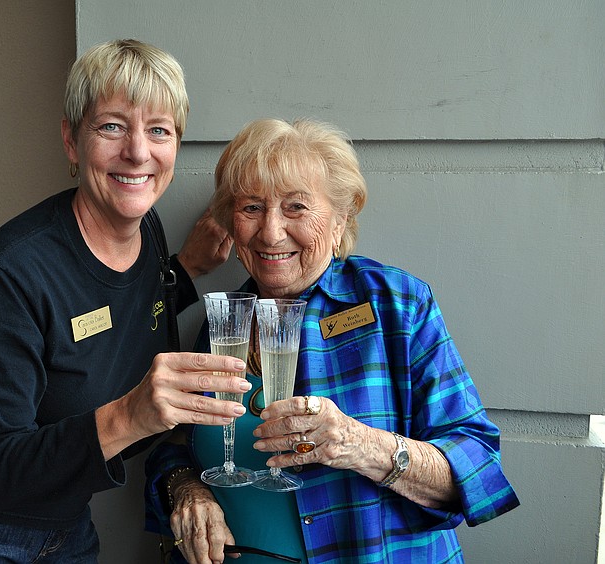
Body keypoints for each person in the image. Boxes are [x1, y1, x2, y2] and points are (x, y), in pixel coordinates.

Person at [0, 39, 249, 563]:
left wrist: (185, 271)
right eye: (112, 126)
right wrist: (130, 416)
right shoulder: (11, 272)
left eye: (158, 129)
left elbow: (118, 312)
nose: (138, 152)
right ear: (72, 141)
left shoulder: (150, 233)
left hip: (62, 513)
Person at [145, 118, 520, 564]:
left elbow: (479, 466)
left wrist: (360, 444)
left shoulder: (394, 304)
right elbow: (174, 445)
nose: (270, 232)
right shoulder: (224, 321)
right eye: (251, 208)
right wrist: (186, 489)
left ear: (341, 217)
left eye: (296, 207)